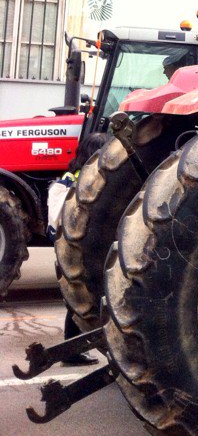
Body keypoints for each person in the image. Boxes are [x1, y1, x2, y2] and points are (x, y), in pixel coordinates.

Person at [46, 132, 107, 366]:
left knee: (75, 301)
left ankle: (72, 351)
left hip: (68, 249)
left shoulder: (69, 178)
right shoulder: (81, 182)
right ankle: (71, 352)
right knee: (79, 301)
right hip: (77, 251)